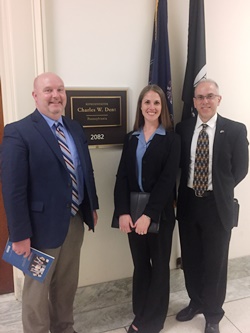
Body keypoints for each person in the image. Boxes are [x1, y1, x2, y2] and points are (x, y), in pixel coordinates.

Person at [1, 72, 99, 333]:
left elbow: (84, 170)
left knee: (66, 284)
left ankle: (64, 328)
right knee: (36, 290)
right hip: (39, 230)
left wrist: (92, 206)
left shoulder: (75, 128)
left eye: (60, 89)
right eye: (47, 90)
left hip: (74, 222)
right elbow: (13, 190)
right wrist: (20, 234)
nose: (55, 95)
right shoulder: (18, 132)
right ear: (35, 96)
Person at [175, 79, 249, 333]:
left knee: (215, 263)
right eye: (200, 97)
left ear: (219, 99)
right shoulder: (182, 129)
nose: (204, 101)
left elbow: (240, 169)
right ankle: (196, 302)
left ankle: (213, 315)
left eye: (210, 96)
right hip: (187, 204)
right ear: (194, 102)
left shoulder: (236, 130)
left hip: (217, 206)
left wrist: (219, 187)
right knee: (192, 259)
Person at [113, 84, 180, 333]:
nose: (151, 107)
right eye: (147, 102)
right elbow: (122, 178)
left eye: (156, 103)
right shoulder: (131, 138)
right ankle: (140, 313)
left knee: (160, 266)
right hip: (131, 212)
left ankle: (152, 321)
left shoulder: (172, 140)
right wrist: (123, 212)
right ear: (140, 106)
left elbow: (166, 181)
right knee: (141, 265)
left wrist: (148, 215)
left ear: (162, 108)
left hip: (159, 213)